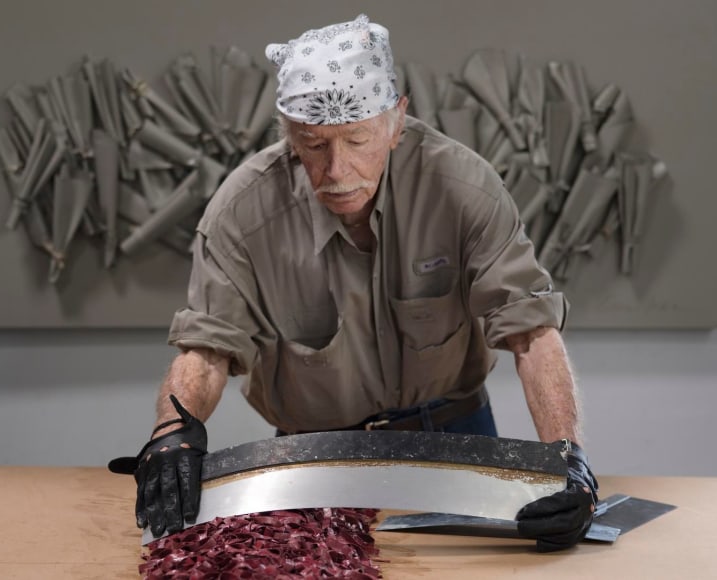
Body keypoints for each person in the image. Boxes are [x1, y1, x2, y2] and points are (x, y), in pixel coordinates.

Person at [110, 14, 598, 553]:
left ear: (396, 121)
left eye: (358, 139)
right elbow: (206, 348)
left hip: (454, 434)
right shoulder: (241, 213)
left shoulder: (465, 189)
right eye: (314, 145)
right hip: (311, 453)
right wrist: (171, 433)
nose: (337, 170)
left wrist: (567, 459)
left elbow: (531, 331)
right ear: (288, 133)